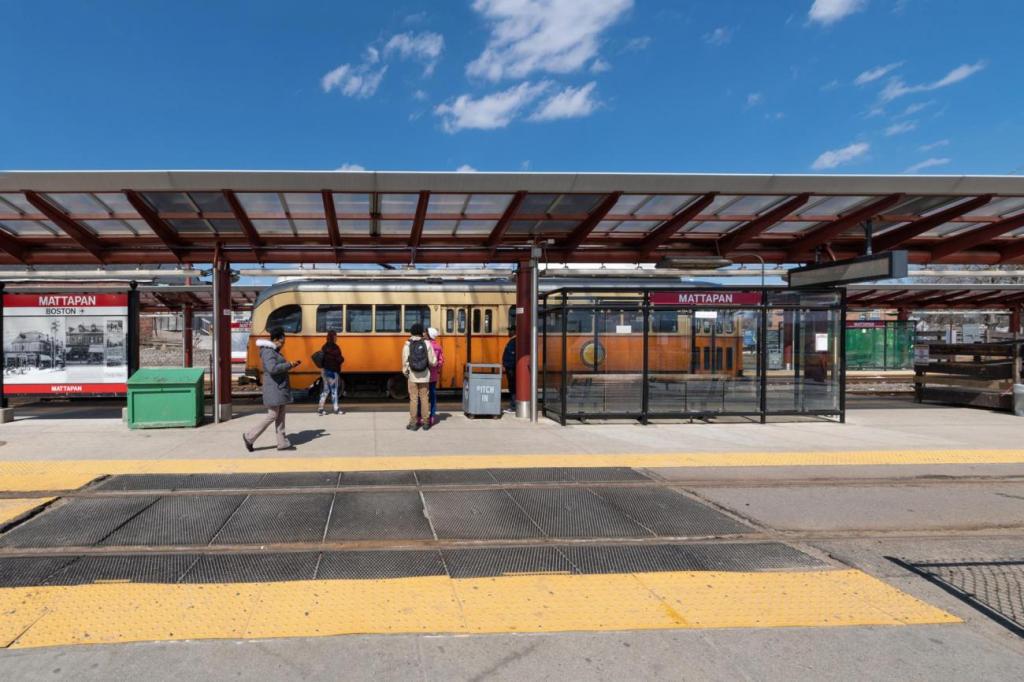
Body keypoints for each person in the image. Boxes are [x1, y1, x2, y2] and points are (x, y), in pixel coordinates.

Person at [244, 327, 300, 451]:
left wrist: (290, 364)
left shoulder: (274, 351)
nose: (283, 344)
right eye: (282, 341)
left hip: (279, 388)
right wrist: (289, 365)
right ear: (275, 339)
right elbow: (272, 368)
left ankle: (282, 442)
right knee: (273, 415)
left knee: (280, 415)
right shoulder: (268, 351)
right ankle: (249, 437)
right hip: (274, 388)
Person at [402, 322, 436, 431]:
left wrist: (406, 372)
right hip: (425, 375)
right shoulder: (427, 343)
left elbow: (405, 361)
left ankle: (413, 423)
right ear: (421, 332)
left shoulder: (407, 344)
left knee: (413, 399)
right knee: (425, 398)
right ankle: (426, 423)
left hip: (412, 375)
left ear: (411, 332)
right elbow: (433, 361)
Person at [318, 330, 345, 416]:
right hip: (333, 372)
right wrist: (341, 359)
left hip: (324, 371)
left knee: (326, 390)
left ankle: (321, 408)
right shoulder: (335, 348)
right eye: (336, 336)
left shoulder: (324, 347)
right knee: (334, 390)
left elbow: (321, 359)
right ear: (333, 337)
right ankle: (336, 409)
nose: (336, 338)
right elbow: (340, 359)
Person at [425, 327, 444, 427]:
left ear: (429, 335)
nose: (424, 334)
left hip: (424, 375)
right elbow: (441, 361)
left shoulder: (425, 345)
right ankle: (432, 416)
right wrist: (436, 367)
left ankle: (421, 416)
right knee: (433, 396)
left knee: (423, 397)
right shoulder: (438, 346)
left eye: (426, 332)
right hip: (434, 376)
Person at [502, 330, 516, 413]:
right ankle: (513, 405)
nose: (508, 332)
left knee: (513, 387)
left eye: (510, 331)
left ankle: (514, 406)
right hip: (509, 367)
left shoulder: (514, 342)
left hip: (511, 368)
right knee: (512, 387)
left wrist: (507, 365)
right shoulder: (512, 341)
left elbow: (511, 356)